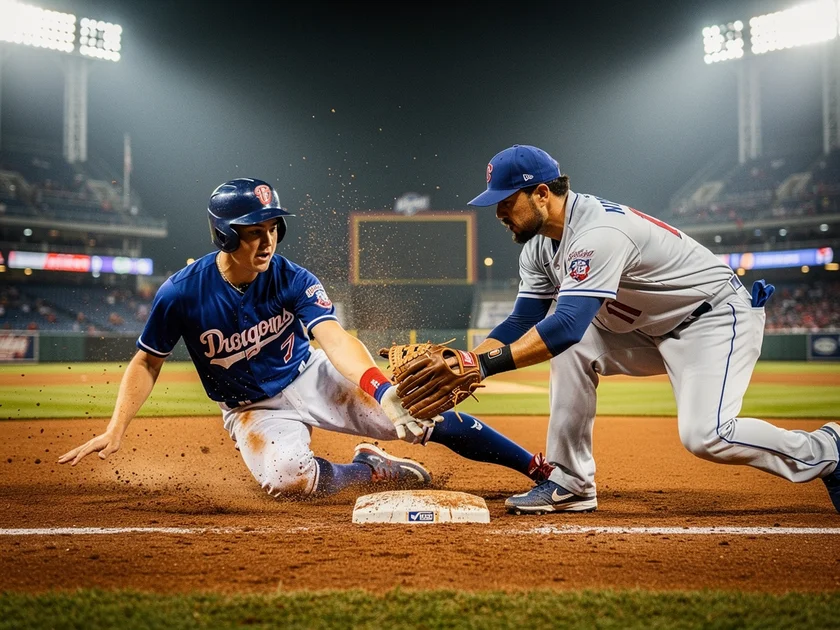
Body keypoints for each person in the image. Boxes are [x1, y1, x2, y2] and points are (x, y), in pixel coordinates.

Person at [405, 144, 840, 514]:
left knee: (707, 436)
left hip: (711, 319)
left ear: (541, 194)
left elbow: (567, 326)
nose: (498, 211)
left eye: (505, 200)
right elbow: (522, 320)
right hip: (645, 328)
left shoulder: (600, 232)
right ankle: (570, 482)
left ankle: (829, 448)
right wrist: (468, 359)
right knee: (572, 351)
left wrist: (482, 367)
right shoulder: (538, 247)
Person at [59, 177, 554, 498]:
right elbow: (147, 362)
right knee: (288, 481)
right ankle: (375, 471)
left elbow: (334, 338)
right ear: (225, 236)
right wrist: (117, 426)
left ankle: (538, 470)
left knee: (423, 411)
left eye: (274, 227)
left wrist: (385, 391)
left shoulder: (292, 277)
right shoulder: (181, 294)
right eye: (255, 229)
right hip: (252, 407)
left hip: (309, 375)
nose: (269, 239)